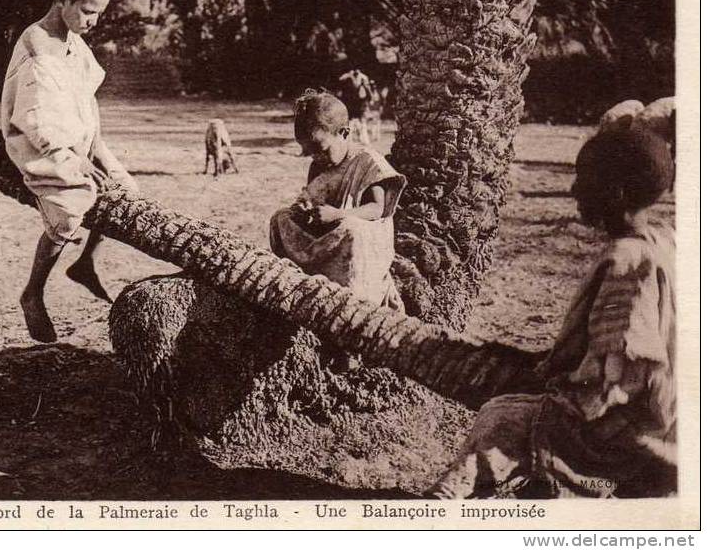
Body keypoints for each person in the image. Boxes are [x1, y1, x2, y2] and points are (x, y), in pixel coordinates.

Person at [429, 126, 676, 498]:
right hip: (673, 418)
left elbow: (622, 373)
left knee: (500, 417)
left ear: (617, 193)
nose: (574, 190)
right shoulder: (663, 240)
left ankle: (442, 506)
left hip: (631, 429)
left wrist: (562, 402)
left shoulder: (626, 261)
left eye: (584, 180)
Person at [0, 0, 138, 343]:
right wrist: (73, 160)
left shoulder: (74, 44)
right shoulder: (36, 49)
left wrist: (96, 151)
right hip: (39, 143)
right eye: (89, 12)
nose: (94, 21)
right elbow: (34, 119)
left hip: (80, 139)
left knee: (127, 189)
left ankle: (86, 262)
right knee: (70, 206)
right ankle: (33, 292)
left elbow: (85, 100)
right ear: (62, 0)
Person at [269, 89, 406, 308]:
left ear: (344, 133)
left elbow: (377, 209)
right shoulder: (319, 165)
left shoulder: (367, 162)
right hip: (327, 233)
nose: (316, 157)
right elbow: (313, 198)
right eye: (309, 152)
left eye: (321, 149)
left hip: (362, 239)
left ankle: (348, 293)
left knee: (351, 229)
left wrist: (340, 214)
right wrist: (305, 209)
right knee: (281, 218)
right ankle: (297, 278)